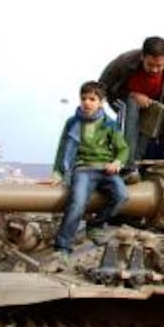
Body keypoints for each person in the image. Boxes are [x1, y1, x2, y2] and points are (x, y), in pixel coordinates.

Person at [48, 81, 129, 267]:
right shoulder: (73, 123)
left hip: (105, 170)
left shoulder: (109, 124)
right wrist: (58, 173)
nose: (87, 102)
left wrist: (117, 162)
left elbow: (123, 149)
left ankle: (95, 225)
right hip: (83, 169)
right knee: (77, 204)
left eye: (92, 99)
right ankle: (62, 248)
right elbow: (63, 148)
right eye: (84, 98)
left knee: (122, 196)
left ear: (101, 102)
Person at [99, 36, 164, 176]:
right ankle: (125, 163)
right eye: (150, 65)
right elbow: (102, 86)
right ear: (142, 57)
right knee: (130, 110)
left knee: (149, 125)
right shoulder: (124, 63)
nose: (155, 70)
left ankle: (136, 164)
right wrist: (132, 94)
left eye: (159, 66)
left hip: (152, 103)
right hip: (122, 98)